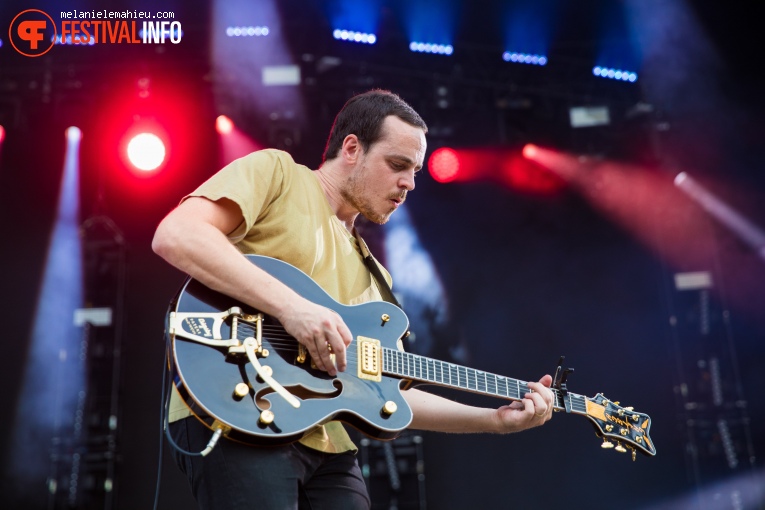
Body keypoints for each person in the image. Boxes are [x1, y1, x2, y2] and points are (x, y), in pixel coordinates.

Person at [152, 89, 554, 509]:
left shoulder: (376, 278)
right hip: (241, 406)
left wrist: (493, 421)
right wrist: (292, 308)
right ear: (351, 148)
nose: (409, 183)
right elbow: (177, 235)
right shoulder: (278, 173)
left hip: (328, 442)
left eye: (415, 171)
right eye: (397, 165)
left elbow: (391, 392)